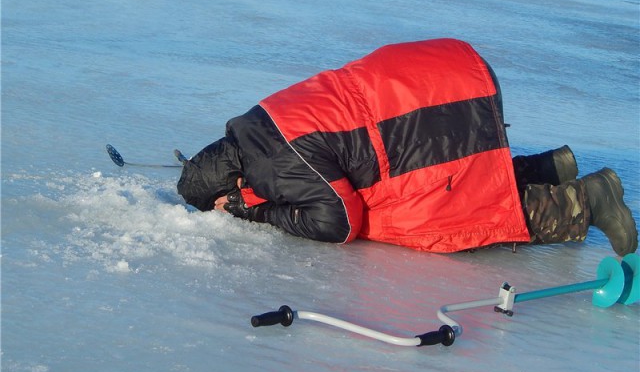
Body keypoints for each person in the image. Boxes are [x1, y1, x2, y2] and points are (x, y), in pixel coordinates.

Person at [177, 39, 638, 256]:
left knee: (443, 215)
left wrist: (252, 211)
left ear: (229, 182)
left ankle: (589, 201)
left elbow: (338, 221)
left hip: (414, 116)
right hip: (425, 88)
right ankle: (551, 168)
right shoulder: (255, 123)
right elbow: (309, 156)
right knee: (460, 177)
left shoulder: (272, 163)